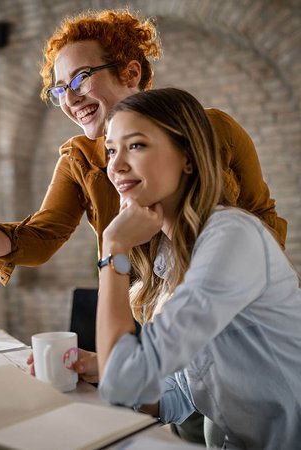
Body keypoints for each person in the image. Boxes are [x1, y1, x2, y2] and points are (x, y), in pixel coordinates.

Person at [0, 10, 287, 288]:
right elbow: (39, 239)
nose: (69, 98)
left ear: (131, 73)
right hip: (139, 312)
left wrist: (260, 290)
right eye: (59, 88)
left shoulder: (213, 128)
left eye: (80, 78)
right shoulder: (79, 158)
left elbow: (261, 216)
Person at [83, 87, 301, 449]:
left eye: (135, 145)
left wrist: (114, 249)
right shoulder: (172, 254)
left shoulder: (231, 238)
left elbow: (122, 384)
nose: (116, 165)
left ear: (187, 156)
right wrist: (103, 367)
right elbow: (183, 391)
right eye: (111, 149)